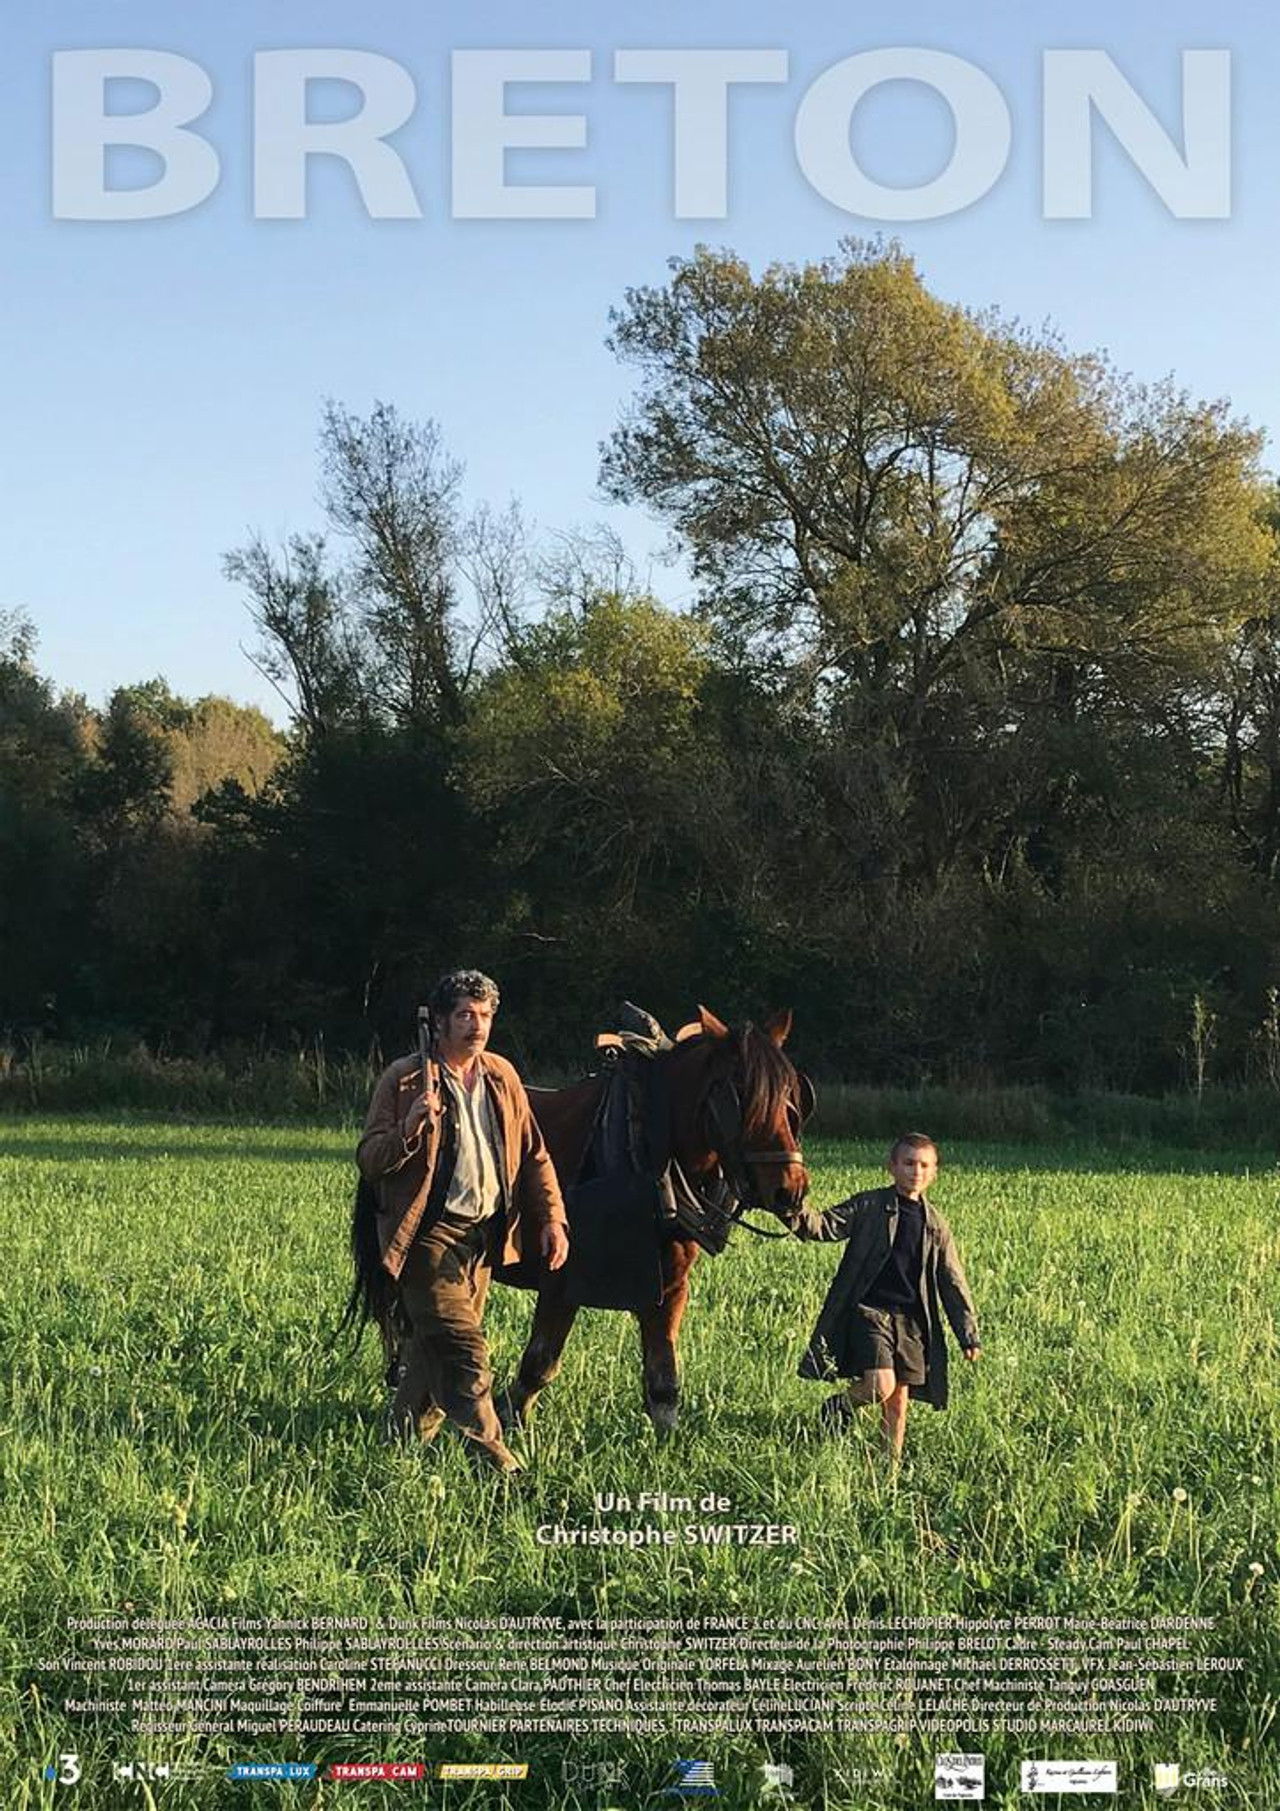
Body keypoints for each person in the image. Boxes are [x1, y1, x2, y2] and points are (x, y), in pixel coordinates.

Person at [356, 969, 569, 1473]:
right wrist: (409, 1129)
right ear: (442, 1022)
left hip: (481, 1240)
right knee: (466, 1351)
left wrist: (553, 1218)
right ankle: (496, 1463)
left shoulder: (501, 1076)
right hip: (428, 1237)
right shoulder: (406, 1078)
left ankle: (398, 1450)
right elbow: (369, 1158)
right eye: (465, 1015)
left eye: (485, 1015)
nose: (477, 1026)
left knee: (434, 1355)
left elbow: (534, 1154)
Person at [786, 1133, 980, 1462]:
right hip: (870, 1311)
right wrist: (792, 1207)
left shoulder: (936, 1225)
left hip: (912, 1321)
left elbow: (952, 1281)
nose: (915, 1171)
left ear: (935, 1172)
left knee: (898, 1401)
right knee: (880, 1384)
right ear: (892, 1166)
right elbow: (824, 1226)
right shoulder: (869, 1205)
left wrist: (968, 1334)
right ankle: (839, 1406)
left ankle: (887, 1471)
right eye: (908, 1163)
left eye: (923, 1165)